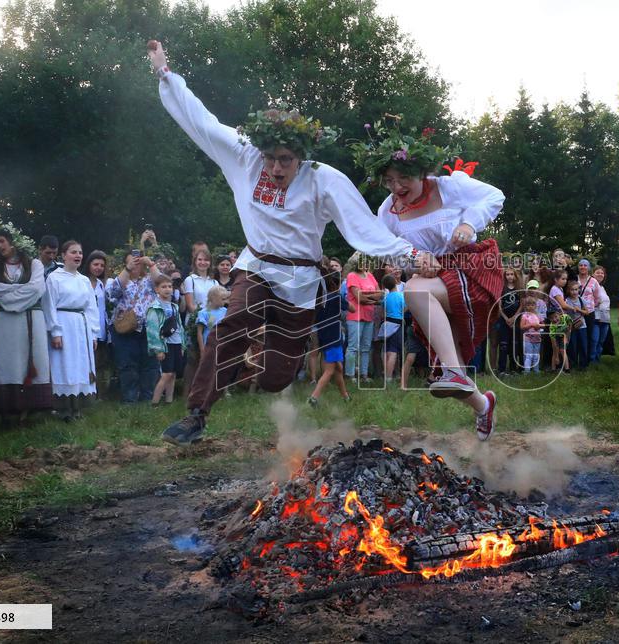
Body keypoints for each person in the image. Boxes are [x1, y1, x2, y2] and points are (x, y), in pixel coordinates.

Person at [148, 41, 423, 445]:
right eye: (271, 158)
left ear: (301, 156)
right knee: (232, 324)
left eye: (286, 160)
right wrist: (166, 76)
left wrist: (410, 254)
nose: (276, 168)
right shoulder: (245, 158)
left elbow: (363, 227)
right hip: (257, 269)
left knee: (277, 377)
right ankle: (197, 414)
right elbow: (202, 123)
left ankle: (252, 363)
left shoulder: (324, 179)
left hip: (299, 284)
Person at [352, 120, 504, 441]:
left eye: (403, 178)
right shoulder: (387, 212)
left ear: (421, 172)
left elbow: (494, 196)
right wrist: (412, 257)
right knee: (445, 372)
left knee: (415, 290)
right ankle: (482, 404)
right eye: (389, 181)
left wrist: (468, 224)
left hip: (470, 269)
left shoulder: (448, 187)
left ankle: (456, 372)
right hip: (432, 280)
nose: (396, 188)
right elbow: (385, 250)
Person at [0, 228, 53, 421]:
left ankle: (33, 409)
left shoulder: (35, 264)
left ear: (14, 242)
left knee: (32, 361)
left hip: (31, 320)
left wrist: (6, 298)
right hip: (3, 323)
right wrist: (20, 291)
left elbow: (37, 288)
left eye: (2, 241)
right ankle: (7, 409)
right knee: (6, 363)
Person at [45, 241, 100, 421]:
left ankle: (77, 408)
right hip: (64, 325)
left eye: (80, 252)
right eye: (73, 252)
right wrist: (56, 332)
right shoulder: (54, 278)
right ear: (63, 255)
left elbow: (92, 308)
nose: (78, 255)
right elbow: (49, 305)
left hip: (81, 327)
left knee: (80, 365)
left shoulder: (84, 280)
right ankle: (63, 408)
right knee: (64, 365)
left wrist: (93, 333)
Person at [107, 249, 161, 403]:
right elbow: (114, 292)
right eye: (132, 261)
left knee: (150, 365)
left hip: (147, 329)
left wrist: (151, 264)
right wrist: (128, 269)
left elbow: (162, 281)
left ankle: (147, 399)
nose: (136, 264)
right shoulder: (119, 280)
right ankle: (129, 400)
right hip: (124, 330)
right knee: (127, 365)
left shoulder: (149, 280)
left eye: (138, 261)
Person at [308, 261, 351, 406]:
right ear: (338, 284)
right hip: (335, 338)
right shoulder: (337, 297)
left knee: (338, 368)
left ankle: (345, 396)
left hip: (324, 337)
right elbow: (352, 309)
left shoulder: (319, 300)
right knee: (330, 370)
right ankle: (314, 397)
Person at [147, 274, 186, 408]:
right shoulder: (155, 308)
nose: (167, 289)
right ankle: (155, 402)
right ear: (157, 289)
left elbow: (179, 326)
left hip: (176, 343)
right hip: (165, 345)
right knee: (166, 373)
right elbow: (152, 330)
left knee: (173, 374)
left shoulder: (174, 307)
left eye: (169, 286)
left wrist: (182, 345)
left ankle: (169, 400)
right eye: (163, 287)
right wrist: (158, 349)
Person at [345, 258, 380, 382]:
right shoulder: (352, 276)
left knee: (366, 347)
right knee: (353, 347)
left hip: (369, 316)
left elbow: (379, 294)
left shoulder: (370, 275)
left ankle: (364, 375)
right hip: (355, 316)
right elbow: (359, 298)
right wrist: (372, 298)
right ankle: (350, 375)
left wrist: (367, 297)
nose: (364, 264)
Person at [85, 250, 111, 397]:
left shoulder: (102, 284)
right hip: (85, 327)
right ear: (89, 264)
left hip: (101, 328)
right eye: (95, 264)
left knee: (100, 362)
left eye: (102, 265)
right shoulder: (82, 281)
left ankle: (99, 393)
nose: (98, 268)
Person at [495, 267, 522, 374]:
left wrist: (514, 317)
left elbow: (521, 305)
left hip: (515, 319)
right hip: (504, 320)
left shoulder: (519, 288)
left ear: (515, 276)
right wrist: (506, 318)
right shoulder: (502, 288)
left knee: (514, 344)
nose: (510, 276)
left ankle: (513, 368)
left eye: (512, 274)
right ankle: (501, 369)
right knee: (504, 344)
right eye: (507, 274)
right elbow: (499, 305)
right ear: (505, 276)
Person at [379, 273, 405, 382]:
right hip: (397, 325)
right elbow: (405, 308)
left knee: (386, 350)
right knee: (394, 352)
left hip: (387, 325)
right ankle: (389, 378)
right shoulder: (401, 296)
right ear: (395, 282)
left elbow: (382, 313)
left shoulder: (386, 298)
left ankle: (386, 374)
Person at [195, 286, 229, 362]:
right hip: (209, 344)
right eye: (223, 299)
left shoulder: (225, 311)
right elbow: (200, 332)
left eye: (226, 299)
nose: (225, 301)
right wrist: (202, 349)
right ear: (213, 298)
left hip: (223, 344)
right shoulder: (205, 312)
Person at [563, 280, 589, 370]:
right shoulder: (567, 301)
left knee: (583, 345)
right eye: (572, 290)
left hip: (582, 326)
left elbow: (587, 312)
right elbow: (565, 312)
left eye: (576, 289)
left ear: (579, 290)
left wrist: (579, 310)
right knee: (572, 346)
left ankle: (583, 365)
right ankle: (572, 364)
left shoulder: (581, 300)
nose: (574, 292)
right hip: (571, 327)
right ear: (568, 291)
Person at [181, 248, 215, 317]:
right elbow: (190, 306)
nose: (203, 262)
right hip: (195, 320)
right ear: (195, 262)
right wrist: (204, 317)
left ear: (210, 262)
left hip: (212, 320)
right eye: (200, 259)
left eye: (206, 260)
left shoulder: (214, 282)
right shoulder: (190, 280)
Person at [589, 265, 612, 363]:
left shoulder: (602, 288)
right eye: (597, 272)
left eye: (602, 273)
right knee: (594, 340)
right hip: (595, 318)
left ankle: (597, 359)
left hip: (605, 319)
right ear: (593, 274)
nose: (600, 274)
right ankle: (591, 360)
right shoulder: (590, 286)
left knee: (601, 341)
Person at [519, 295, 543, 373]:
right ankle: (527, 371)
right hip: (528, 339)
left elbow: (542, 325)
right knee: (528, 355)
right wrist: (531, 325)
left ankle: (536, 370)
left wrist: (538, 327)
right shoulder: (525, 315)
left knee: (536, 355)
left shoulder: (538, 315)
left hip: (537, 338)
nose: (530, 307)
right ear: (525, 306)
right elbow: (522, 327)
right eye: (528, 305)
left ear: (535, 306)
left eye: (532, 305)